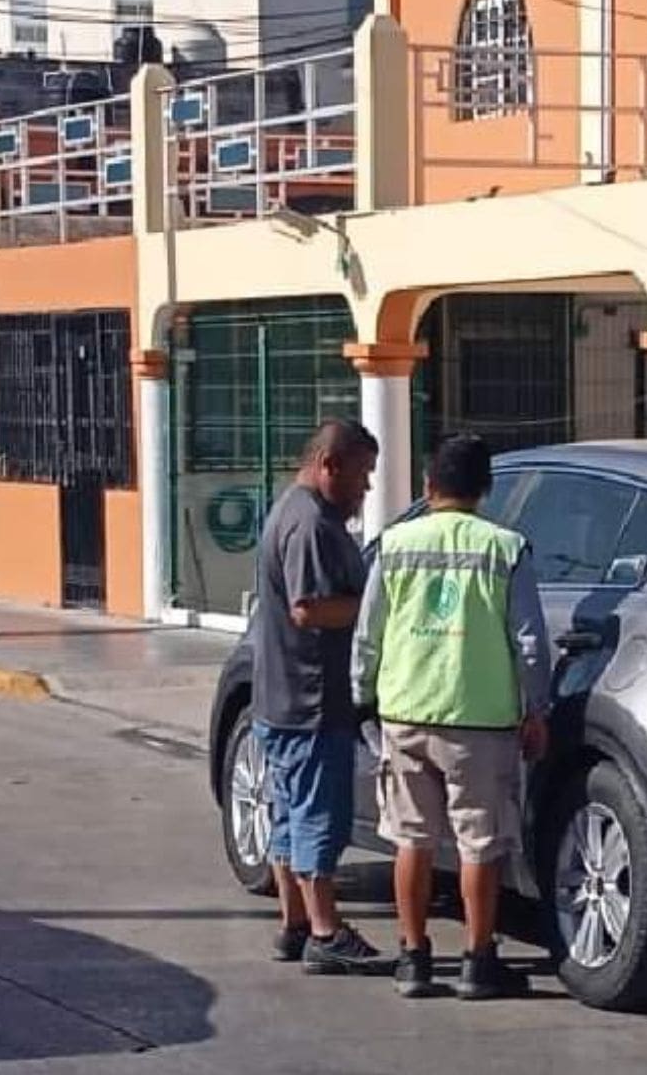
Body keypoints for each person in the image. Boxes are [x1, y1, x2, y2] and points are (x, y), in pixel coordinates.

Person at [352, 434, 550, 1001]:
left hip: (406, 711)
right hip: (480, 719)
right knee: (479, 844)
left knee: (411, 839)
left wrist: (363, 697)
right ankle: (477, 960)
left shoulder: (393, 545)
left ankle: (413, 959)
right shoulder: (507, 548)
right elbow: (530, 641)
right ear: (486, 488)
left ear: (426, 485)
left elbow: (369, 634)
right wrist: (537, 710)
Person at [249, 418, 391, 976]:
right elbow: (308, 609)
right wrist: (377, 608)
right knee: (315, 818)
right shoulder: (309, 522)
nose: (367, 488)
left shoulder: (297, 511)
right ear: (330, 465)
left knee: (288, 816)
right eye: (362, 474)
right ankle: (327, 931)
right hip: (309, 699)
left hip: (282, 697)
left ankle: (295, 923)